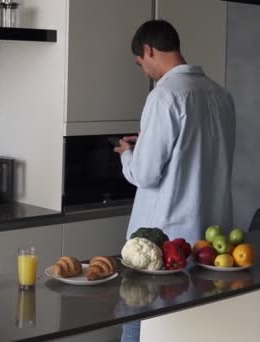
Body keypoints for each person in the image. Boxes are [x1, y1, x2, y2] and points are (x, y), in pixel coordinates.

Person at [114, 20, 236, 342]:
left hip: (165, 245)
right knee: (190, 331)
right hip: (210, 242)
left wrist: (128, 155)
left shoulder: (164, 96)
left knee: (139, 325)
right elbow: (195, 155)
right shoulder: (221, 96)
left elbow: (145, 174)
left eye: (142, 64)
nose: (145, 72)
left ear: (149, 50)